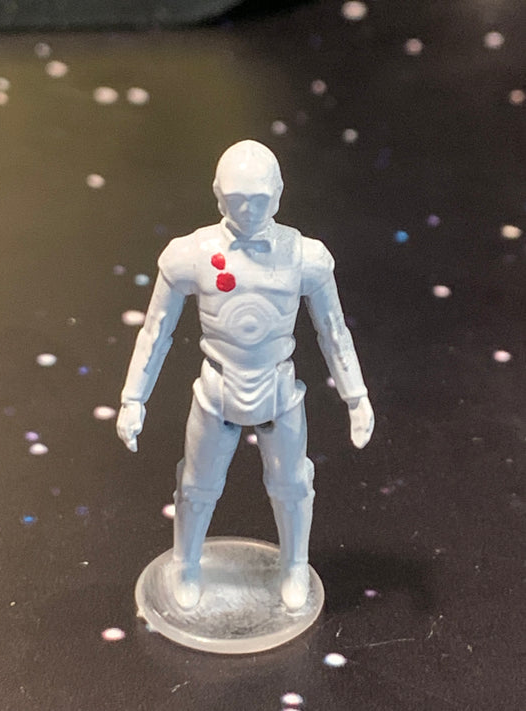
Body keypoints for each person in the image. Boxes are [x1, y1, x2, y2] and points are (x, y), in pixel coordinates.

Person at [117, 140, 374, 612]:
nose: (249, 210)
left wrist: (355, 396)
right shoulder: (190, 254)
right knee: (197, 486)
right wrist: (134, 397)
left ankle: (295, 564)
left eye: (259, 199)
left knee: (292, 485)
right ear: (218, 196)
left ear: (278, 194)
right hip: (217, 387)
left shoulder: (306, 256)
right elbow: (155, 330)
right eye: (237, 199)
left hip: (278, 388)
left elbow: (333, 329)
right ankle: (187, 563)